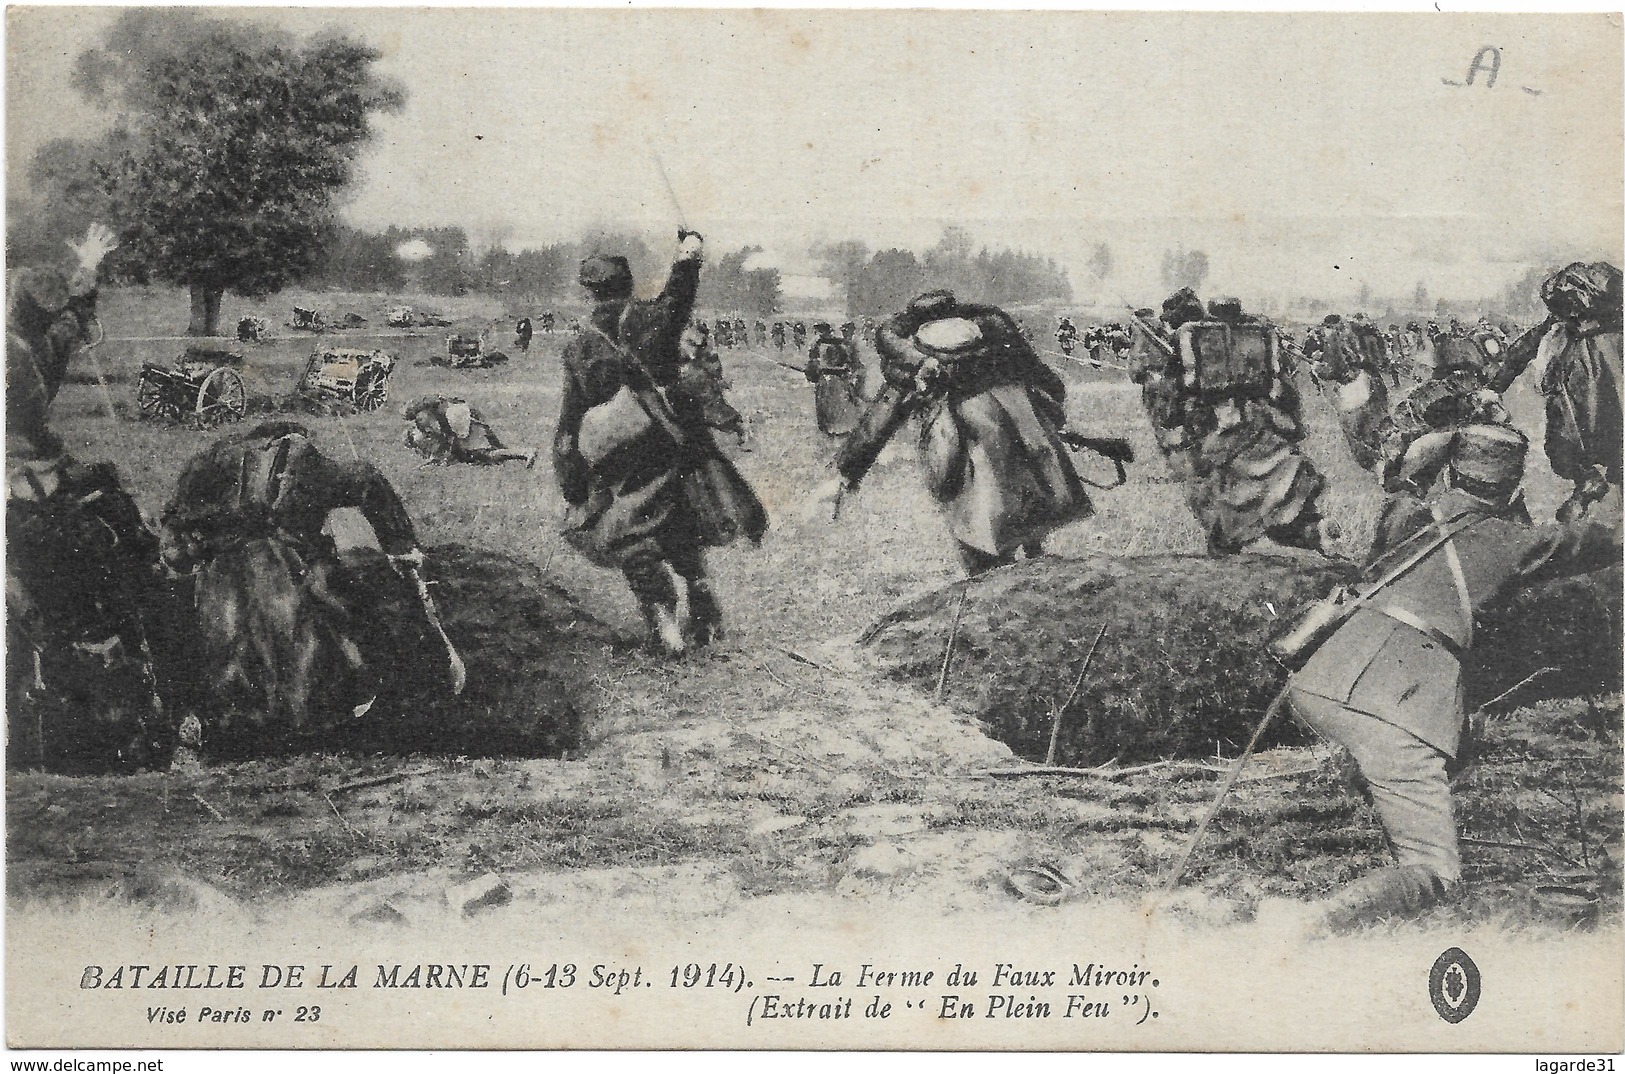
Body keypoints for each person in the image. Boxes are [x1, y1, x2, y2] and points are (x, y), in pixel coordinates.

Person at [1283, 424, 1621, 927]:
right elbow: (1598, 542)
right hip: (1396, 705)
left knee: (1423, 749)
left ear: (1453, 472)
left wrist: (1426, 458)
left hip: (1317, 679)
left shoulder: (1407, 516)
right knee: (1435, 872)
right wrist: (1611, 482)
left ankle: (1376, 789)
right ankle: (1309, 923)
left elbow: (1402, 482)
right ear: (1512, 487)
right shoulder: (1512, 543)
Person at [157, 421, 449, 748]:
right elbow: (367, 479)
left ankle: (213, 718)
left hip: (222, 591)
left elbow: (173, 542)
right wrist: (399, 545)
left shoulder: (207, 464)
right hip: (285, 579)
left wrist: (201, 552)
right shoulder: (297, 456)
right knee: (345, 618)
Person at [551, 231, 767, 655]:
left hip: (619, 457)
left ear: (589, 292)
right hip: (673, 445)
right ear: (629, 284)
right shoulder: (651, 320)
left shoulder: (578, 345)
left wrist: (572, 479)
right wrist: (688, 254)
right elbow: (678, 297)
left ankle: (667, 630)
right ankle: (700, 600)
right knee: (679, 525)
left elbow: (569, 418)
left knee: (631, 537)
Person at [822, 289, 1107, 575]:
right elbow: (1047, 381)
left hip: (966, 452)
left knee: (980, 540)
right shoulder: (999, 341)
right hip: (1028, 444)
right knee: (1028, 524)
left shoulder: (916, 360)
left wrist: (849, 469)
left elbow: (882, 416)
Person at [1131, 291, 1329, 555]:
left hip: (1217, 426)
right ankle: (1310, 531)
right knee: (1277, 477)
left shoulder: (1190, 336)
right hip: (1263, 420)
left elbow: (1177, 392)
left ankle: (1229, 541)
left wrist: (1174, 410)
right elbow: (1282, 384)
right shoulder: (1260, 333)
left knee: (1215, 489)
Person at [1487, 261, 1622, 521]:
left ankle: (1589, 486)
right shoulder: (1609, 329)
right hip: (1599, 410)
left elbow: (1520, 351)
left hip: (1580, 409)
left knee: (1564, 447)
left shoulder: (1564, 331)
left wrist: (1494, 388)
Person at [8, 222, 119, 456]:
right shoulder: (43, 344)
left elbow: (72, 313)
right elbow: (74, 313)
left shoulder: (34, 338)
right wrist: (89, 265)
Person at [668, 323, 750, 449]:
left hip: (698, 378)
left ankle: (740, 432)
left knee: (714, 410)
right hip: (684, 378)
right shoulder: (672, 334)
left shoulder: (693, 334)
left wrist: (716, 376)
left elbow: (709, 356)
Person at [403, 395, 533, 465]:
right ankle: (518, 454)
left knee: (485, 455)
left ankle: (524, 452)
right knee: (490, 448)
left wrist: (439, 456)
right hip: (465, 415)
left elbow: (445, 435)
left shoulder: (423, 418)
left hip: (461, 423)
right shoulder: (437, 405)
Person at [804, 321, 864, 435]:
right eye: (819, 331)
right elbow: (812, 362)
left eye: (823, 331)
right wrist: (812, 371)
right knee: (824, 404)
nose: (821, 333)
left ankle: (841, 428)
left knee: (838, 404)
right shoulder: (816, 344)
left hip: (837, 378)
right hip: (824, 378)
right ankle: (826, 429)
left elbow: (848, 362)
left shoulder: (841, 344)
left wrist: (846, 371)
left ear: (828, 331)